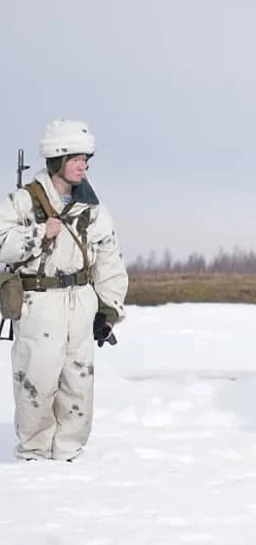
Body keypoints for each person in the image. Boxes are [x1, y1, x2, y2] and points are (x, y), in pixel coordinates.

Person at [0, 119, 129, 461]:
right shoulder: (22, 202)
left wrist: (110, 308)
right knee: (37, 381)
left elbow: (109, 260)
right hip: (38, 301)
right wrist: (40, 233)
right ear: (57, 159)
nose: (83, 165)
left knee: (78, 383)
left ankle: (70, 453)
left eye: (86, 158)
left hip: (81, 301)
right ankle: (34, 452)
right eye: (75, 158)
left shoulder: (93, 209)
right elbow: (1, 245)